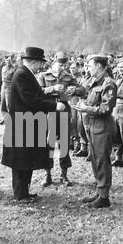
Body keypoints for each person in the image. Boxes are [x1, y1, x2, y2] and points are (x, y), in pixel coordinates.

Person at [1, 47, 66, 203]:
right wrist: (54, 106)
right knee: (20, 162)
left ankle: (24, 192)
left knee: (26, 159)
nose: (41, 67)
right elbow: (31, 100)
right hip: (23, 125)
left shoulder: (26, 73)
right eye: (40, 63)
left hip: (27, 124)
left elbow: (35, 95)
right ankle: (20, 194)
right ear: (33, 62)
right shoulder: (22, 75)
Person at [75, 55, 117, 208]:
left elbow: (106, 108)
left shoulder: (109, 83)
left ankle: (104, 197)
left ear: (99, 66)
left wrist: (87, 108)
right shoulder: (94, 81)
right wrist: (85, 103)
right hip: (93, 124)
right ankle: (100, 191)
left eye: (90, 65)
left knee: (102, 160)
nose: (88, 68)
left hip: (102, 125)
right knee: (94, 158)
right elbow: (92, 99)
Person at [37, 53, 82, 187]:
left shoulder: (68, 76)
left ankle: (64, 174)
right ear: (53, 63)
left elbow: (81, 89)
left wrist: (74, 89)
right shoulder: (44, 75)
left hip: (63, 109)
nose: (62, 67)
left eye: (64, 65)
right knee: (48, 143)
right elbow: (37, 91)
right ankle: (48, 174)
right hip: (49, 108)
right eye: (60, 64)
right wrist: (52, 88)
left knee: (64, 142)